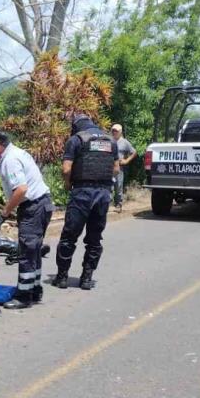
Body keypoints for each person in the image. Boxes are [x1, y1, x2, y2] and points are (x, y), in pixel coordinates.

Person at [0, 129, 54, 309]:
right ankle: (34, 289)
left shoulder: (10, 160)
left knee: (27, 251)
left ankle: (24, 296)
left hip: (34, 206)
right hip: (41, 204)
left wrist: (4, 213)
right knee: (34, 250)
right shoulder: (17, 153)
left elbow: (21, 189)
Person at [53, 113, 119, 290]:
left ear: (75, 126)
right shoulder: (111, 141)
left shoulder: (76, 140)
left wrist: (68, 185)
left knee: (69, 237)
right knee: (94, 239)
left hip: (82, 192)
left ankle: (61, 277)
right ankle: (87, 278)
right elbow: (116, 169)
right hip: (103, 194)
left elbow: (66, 169)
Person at [110, 124, 136, 211]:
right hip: (108, 167)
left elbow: (134, 152)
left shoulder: (125, 142)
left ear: (120, 132)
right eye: (113, 130)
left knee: (118, 186)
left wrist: (127, 160)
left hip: (119, 168)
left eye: (116, 131)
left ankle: (118, 205)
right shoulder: (108, 140)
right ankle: (106, 204)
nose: (114, 132)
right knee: (108, 186)